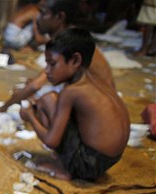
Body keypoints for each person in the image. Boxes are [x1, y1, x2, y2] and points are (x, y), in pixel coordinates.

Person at [19, 28, 130, 181]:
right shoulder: (98, 81)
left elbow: (52, 141)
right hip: (109, 159)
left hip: (88, 164)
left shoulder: (71, 92)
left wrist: (30, 115)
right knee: (47, 101)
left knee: (47, 100)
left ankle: (65, 168)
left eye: (52, 64)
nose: (47, 70)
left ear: (75, 61)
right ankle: (68, 162)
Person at [0, 0, 114, 114]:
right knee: (29, 94)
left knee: (41, 100)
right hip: (97, 97)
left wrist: (1, 109)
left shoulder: (68, 42)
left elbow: (35, 86)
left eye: (43, 13)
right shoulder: (69, 36)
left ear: (60, 17)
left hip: (98, 104)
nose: (38, 18)